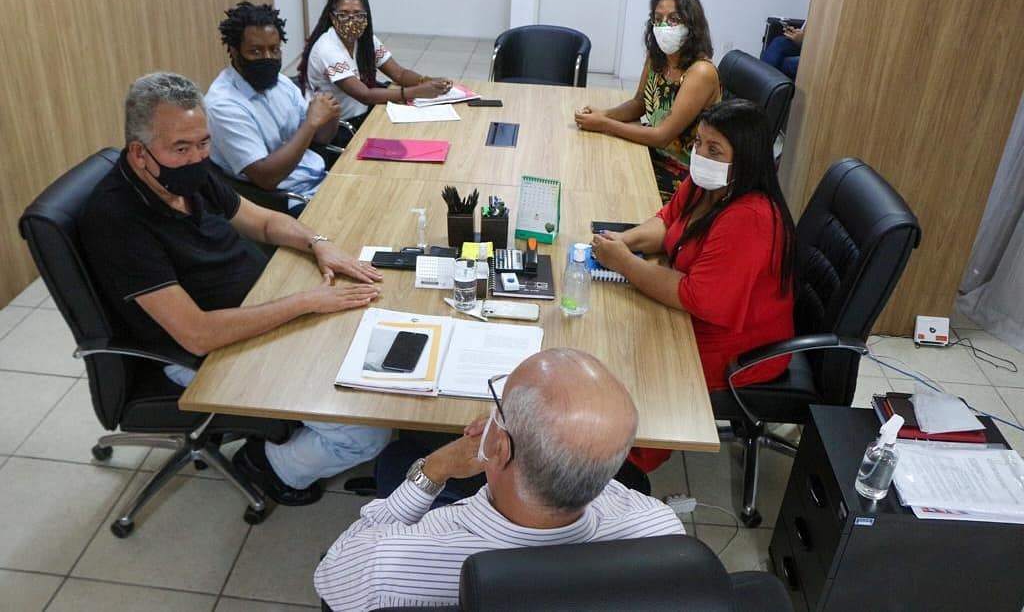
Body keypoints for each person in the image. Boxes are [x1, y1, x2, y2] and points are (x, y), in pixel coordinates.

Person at [80, 72, 391, 506]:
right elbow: (197, 334)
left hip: (260, 309)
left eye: (204, 142)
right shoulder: (118, 221)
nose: (197, 156)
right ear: (139, 152)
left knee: (375, 340)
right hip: (207, 352)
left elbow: (262, 221)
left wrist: (319, 245)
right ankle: (265, 465)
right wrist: (306, 302)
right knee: (367, 432)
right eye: (182, 148)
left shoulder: (186, 174)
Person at [314, 349, 684, 611]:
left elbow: (333, 575)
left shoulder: (386, 564)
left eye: (498, 406)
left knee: (396, 458)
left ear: (500, 449)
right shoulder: (663, 532)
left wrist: (435, 468)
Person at [590, 99, 796, 472]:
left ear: (746, 159)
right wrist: (623, 242)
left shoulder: (750, 218)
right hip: (697, 317)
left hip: (737, 348)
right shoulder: (708, 184)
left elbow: (695, 296)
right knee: (611, 337)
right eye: (699, 142)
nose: (700, 155)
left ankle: (627, 464)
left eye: (714, 149)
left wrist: (624, 263)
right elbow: (668, 221)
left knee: (636, 366)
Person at [575, 0, 720, 203]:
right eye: (658, 19)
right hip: (651, 150)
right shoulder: (657, 58)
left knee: (609, 184)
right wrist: (604, 114)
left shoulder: (701, 72)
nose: (664, 27)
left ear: (691, 25)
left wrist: (604, 124)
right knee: (593, 160)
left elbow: (662, 137)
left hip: (682, 171)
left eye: (673, 20)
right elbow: (639, 103)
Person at [206, 2, 337, 214]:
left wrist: (330, 115)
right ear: (234, 52)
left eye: (274, 50)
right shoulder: (223, 105)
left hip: (320, 177)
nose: (268, 58)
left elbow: (321, 139)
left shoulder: (281, 83)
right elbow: (267, 178)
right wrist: (311, 123)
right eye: (256, 51)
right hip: (290, 200)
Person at [298, 0, 452, 143]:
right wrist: (418, 91)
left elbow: (399, 73)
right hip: (339, 128)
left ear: (366, 17)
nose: (351, 21)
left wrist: (427, 81)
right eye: (343, 15)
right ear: (332, 17)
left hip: (365, 114)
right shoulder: (327, 48)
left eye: (358, 15)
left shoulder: (365, 40)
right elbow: (365, 95)